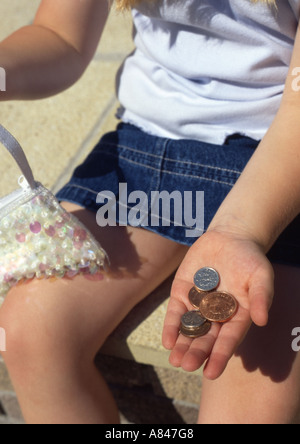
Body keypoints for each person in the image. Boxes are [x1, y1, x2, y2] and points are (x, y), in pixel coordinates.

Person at [0, 0, 300, 424]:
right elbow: (59, 35)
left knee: (253, 401)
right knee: (30, 328)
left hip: (280, 168)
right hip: (147, 149)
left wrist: (240, 230)